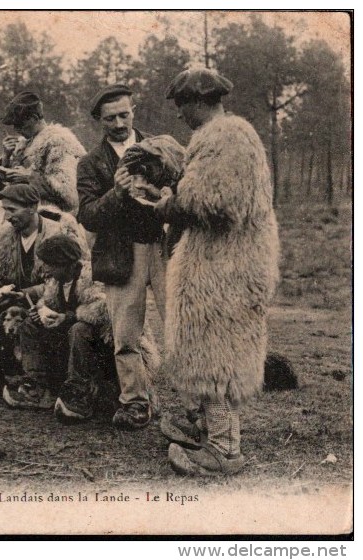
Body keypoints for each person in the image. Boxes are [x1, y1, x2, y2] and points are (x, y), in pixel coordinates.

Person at [134, 68, 280, 475]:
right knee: (209, 352)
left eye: (181, 106)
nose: (180, 115)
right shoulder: (225, 136)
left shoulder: (227, 136)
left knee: (216, 358)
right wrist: (172, 197)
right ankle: (210, 432)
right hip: (223, 262)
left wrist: (170, 204)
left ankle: (223, 450)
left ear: (197, 101)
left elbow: (218, 201)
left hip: (226, 269)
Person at [76, 84, 165, 431]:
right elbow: (87, 215)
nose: (118, 123)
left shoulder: (158, 149)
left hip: (163, 247)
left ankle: (195, 403)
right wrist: (117, 193)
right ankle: (134, 403)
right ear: (99, 120)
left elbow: (182, 186)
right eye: (110, 118)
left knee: (179, 326)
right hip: (120, 254)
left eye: (124, 114)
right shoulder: (89, 163)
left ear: (134, 110)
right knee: (126, 334)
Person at [2, 235, 159, 420]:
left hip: (105, 347)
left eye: (50, 265)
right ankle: (39, 388)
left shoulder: (93, 277)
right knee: (29, 325)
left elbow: (105, 309)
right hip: (76, 345)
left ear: (65, 264)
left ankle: (79, 393)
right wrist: (42, 313)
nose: (44, 270)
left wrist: (68, 317)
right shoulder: (56, 282)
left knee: (80, 328)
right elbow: (49, 302)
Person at [0, 182, 79, 378]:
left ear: (32, 207)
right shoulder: (5, 236)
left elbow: (63, 281)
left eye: (12, 210)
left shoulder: (57, 233)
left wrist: (26, 294)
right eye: (5, 210)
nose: (7, 217)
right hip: (13, 298)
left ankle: (36, 375)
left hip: (48, 301)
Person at [0, 91, 86, 216]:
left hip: (50, 221)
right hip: (22, 220)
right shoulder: (23, 144)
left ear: (34, 118)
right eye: (14, 125)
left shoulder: (60, 142)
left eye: (19, 124)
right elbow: (2, 190)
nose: (16, 129)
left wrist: (29, 177)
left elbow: (70, 196)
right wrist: (6, 157)